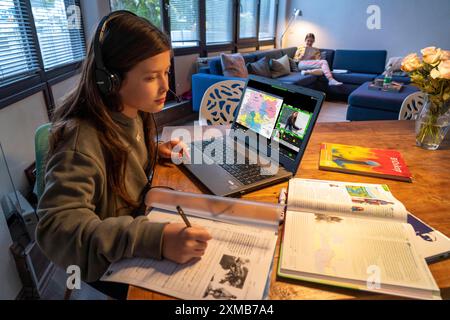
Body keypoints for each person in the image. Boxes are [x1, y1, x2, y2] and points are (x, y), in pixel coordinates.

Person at [36, 11, 212, 299]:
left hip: (138, 223)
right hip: (109, 261)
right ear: (111, 81)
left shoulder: (133, 113)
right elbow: (58, 230)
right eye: (151, 77)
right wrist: (156, 238)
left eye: (165, 72)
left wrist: (154, 150)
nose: (166, 86)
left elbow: (122, 147)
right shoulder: (80, 142)